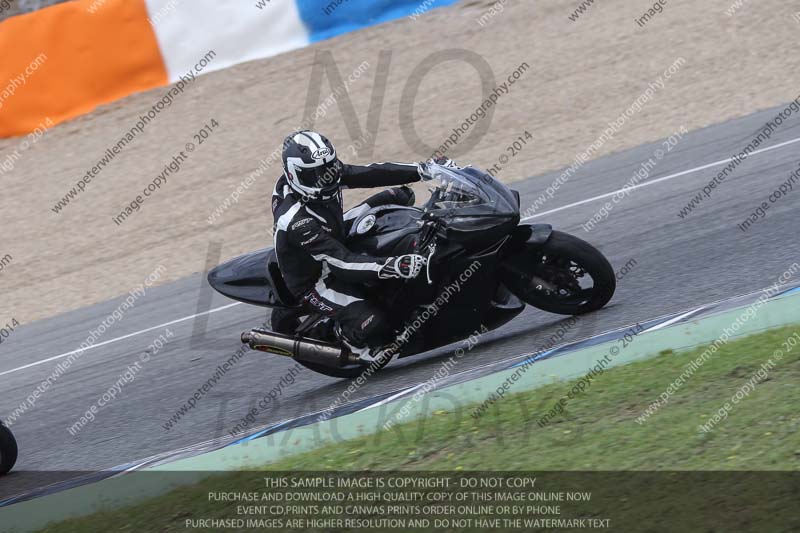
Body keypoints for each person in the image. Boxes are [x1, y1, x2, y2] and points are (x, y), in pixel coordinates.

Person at [272, 130, 448, 362]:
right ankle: (344, 339)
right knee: (376, 325)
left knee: (398, 196)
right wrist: (392, 265)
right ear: (293, 175)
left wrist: (425, 170)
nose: (324, 178)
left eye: (328, 168)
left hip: (334, 233)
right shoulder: (296, 221)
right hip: (318, 277)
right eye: (314, 174)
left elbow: (371, 173)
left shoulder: (325, 174)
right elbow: (342, 262)